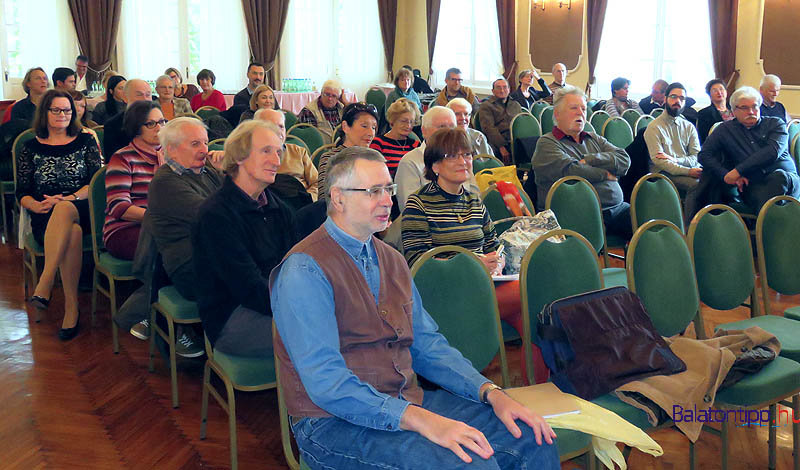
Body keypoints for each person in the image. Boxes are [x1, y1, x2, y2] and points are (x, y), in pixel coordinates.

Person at [270, 147, 560, 470]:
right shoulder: (304, 270)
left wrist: (490, 392)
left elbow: (427, 345)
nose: (387, 200)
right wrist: (419, 420)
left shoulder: (391, 259)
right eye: (373, 191)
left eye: (389, 189)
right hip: (331, 424)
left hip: (404, 399)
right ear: (337, 198)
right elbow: (326, 382)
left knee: (533, 436)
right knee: (470, 464)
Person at [192, 120, 296, 357]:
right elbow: (247, 288)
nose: (276, 160)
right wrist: (299, 309)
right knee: (327, 335)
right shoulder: (216, 215)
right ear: (239, 156)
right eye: (266, 151)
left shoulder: (280, 209)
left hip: (275, 303)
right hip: (232, 316)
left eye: (278, 152)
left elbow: (296, 268)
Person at [17, 90, 103, 340]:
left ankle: (45, 282)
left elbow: (94, 184)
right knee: (72, 232)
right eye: (56, 110)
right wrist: (35, 205)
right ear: (44, 113)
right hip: (44, 213)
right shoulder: (30, 147)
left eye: (67, 110)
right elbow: (22, 192)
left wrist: (69, 198)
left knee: (65, 209)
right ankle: (71, 307)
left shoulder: (85, 141)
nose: (62, 114)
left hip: (81, 207)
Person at [142, 117, 223, 354]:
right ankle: (225, 347)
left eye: (206, 143)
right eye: (195, 144)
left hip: (213, 254)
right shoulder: (166, 182)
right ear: (172, 150)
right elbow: (215, 217)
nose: (205, 150)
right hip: (190, 266)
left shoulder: (207, 172)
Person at [533, 86, 632, 239]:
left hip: (617, 209)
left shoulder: (593, 137)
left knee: (652, 229)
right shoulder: (547, 143)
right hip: (578, 215)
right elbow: (572, 171)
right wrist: (606, 173)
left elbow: (624, 159)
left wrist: (592, 159)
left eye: (584, 109)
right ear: (557, 114)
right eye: (574, 108)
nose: (581, 113)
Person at [698, 86, 800, 212]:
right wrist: (724, 174)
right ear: (734, 111)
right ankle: (774, 223)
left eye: (755, 106)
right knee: (770, 200)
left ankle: (766, 222)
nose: (751, 112)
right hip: (752, 184)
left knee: (779, 178)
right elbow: (704, 155)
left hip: (786, 180)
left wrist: (738, 171)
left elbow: (772, 152)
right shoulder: (725, 130)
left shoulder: (775, 124)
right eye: (744, 108)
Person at [103, 101, 165, 261]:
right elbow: (119, 207)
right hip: (124, 229)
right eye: (151, 124)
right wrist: (162, 219)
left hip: (161, 225)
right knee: (172, 242)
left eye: (162, 122)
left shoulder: (171, 155)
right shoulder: (122, 158)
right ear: (136, 128)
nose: (159, 128)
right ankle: (153, 286)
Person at [395, 106, 479, 212]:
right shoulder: (410, 162)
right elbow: (409, 208)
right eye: (442, 127)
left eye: (452, 127)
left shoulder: (463, 159)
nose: (448, 133)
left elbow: (476, 198)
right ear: (424, 131)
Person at [643, 82, 703, 219]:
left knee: (714, 180)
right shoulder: (654, 127)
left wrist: (676, 160)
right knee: (697, 185)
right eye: (673, 97)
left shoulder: (689, 127)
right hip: (663, 173)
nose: (678, 101)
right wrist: (688, 171)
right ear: (665, 99)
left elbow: (696, 156)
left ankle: (706, 224)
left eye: (682, 98)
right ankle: (689, 229)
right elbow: (661, 162)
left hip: (684, 168)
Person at [317, 102, 379, 197]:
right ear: (345, 127)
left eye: (373, 127)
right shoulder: (331, 158)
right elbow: (325, 199)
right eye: (364, 126)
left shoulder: (374, 158)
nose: (371, 133)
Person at [257, 108, 319, 200]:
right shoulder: (251, 156)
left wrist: (309, 199)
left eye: (281, 127)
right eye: (272, 126)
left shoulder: (298, 151)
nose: (279, 131)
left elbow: (317, 183)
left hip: (302, 202)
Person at [370, 98, 422, 178]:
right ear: (392, 121)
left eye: (411, 122)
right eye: (403, 121)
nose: (408, 126)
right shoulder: (378, 143)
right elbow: (374, 173)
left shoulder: (416, 145)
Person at [104, 79, 153, 159]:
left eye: (148, 95)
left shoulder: (160, 122)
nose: (145, 99)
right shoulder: (113, 126)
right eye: (139, 95)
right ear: (125, 97)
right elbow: (113, 159)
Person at [478, 78, 523, 164]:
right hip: (497, 141)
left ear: (509, 90)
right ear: (493, 91)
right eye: (498, 88)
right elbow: (489, 128)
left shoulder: (516, 105)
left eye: (505, 87)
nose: (502, 90)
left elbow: (521, 125)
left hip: (515, 140)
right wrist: (501, 146)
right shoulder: (486, 106)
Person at [298, 79, 345, 145]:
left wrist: (346, 103)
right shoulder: (309, 111)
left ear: (338, 98)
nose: (330, 99)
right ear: (321, 93)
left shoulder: (342, 108)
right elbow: (311, 140)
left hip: (341, 149)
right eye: (327, 94)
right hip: (321, 151)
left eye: (334, 96)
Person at [696, 78, 735, 144]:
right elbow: (703, 137)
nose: (719, 92)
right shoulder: (704, 113)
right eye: (714, 90)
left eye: (721, 89)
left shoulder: (735, 109)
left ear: (726, 91)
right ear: (709, 94)